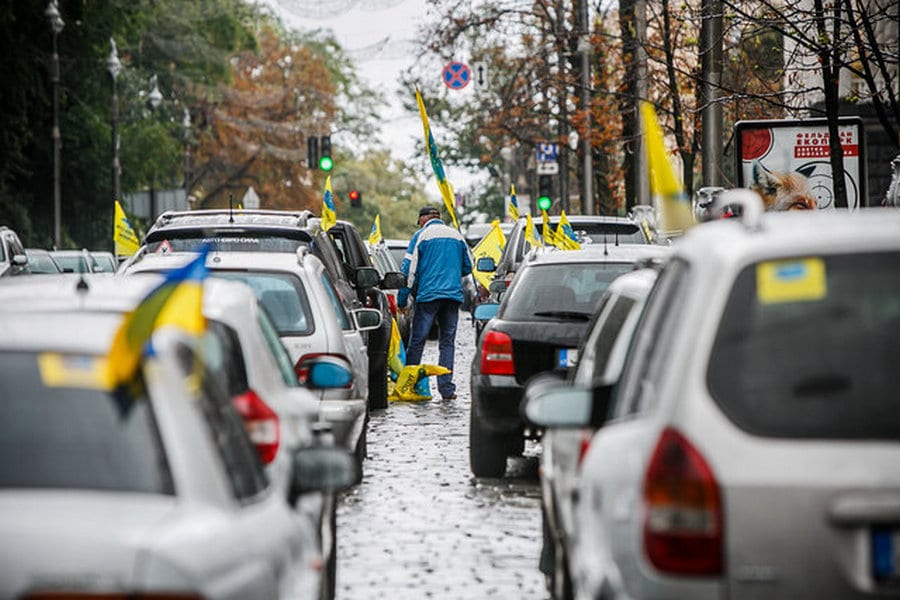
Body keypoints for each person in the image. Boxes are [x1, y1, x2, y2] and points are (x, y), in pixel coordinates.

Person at [398, 205, 473, 400]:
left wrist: (402, 299)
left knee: (417, 341)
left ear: (423, 220)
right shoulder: (457, 236)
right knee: (447, 342)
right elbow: (468, 267)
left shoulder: (421, 236)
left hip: (428, 297)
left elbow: (408, 271)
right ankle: (447, 389)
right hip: (452, 297)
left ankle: (410, 385)